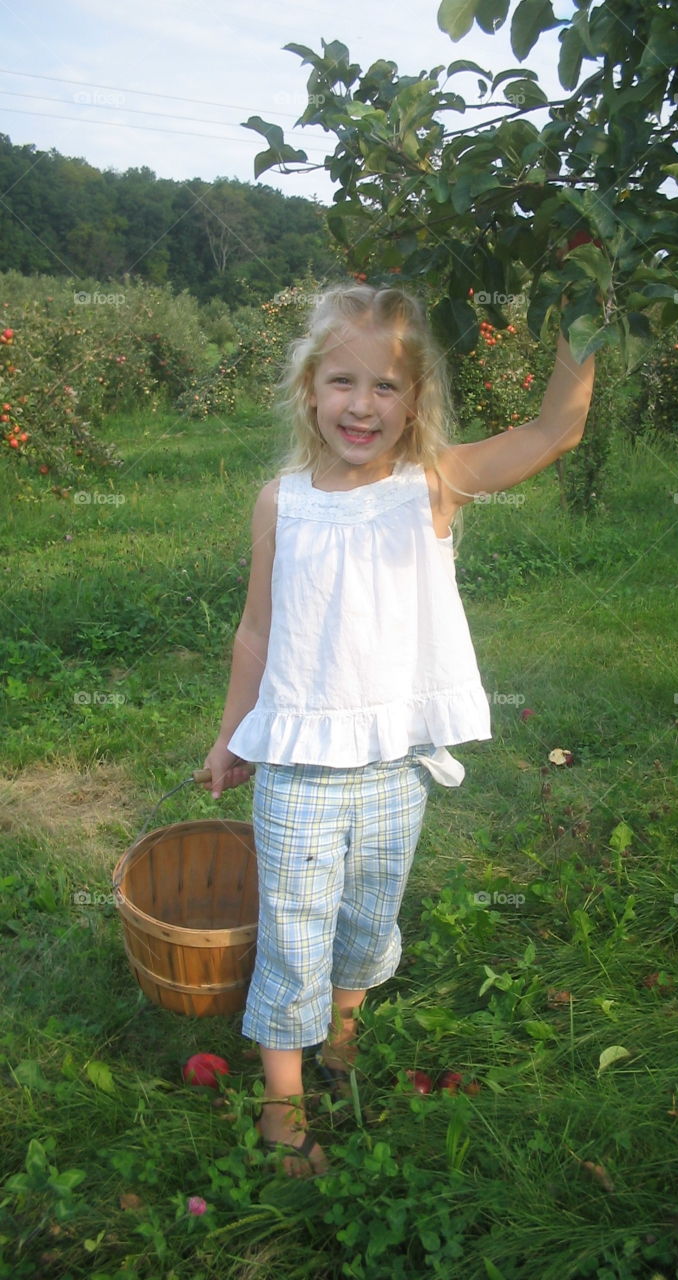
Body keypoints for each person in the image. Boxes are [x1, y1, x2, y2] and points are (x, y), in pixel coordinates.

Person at [202, 283, 595, 1176]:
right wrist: (232, 737)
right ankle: (282, 1105)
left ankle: (341, 1043)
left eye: (386, 387)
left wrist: (586, 312)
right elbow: (257, 632)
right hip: (299, 765)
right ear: (310, 389)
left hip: (396, 765)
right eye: (343, 381)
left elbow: (552, 433)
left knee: (367, 920)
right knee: (293, 934)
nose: (362, 405)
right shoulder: (281, 503)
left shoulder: (433, 485)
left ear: (414, 399)